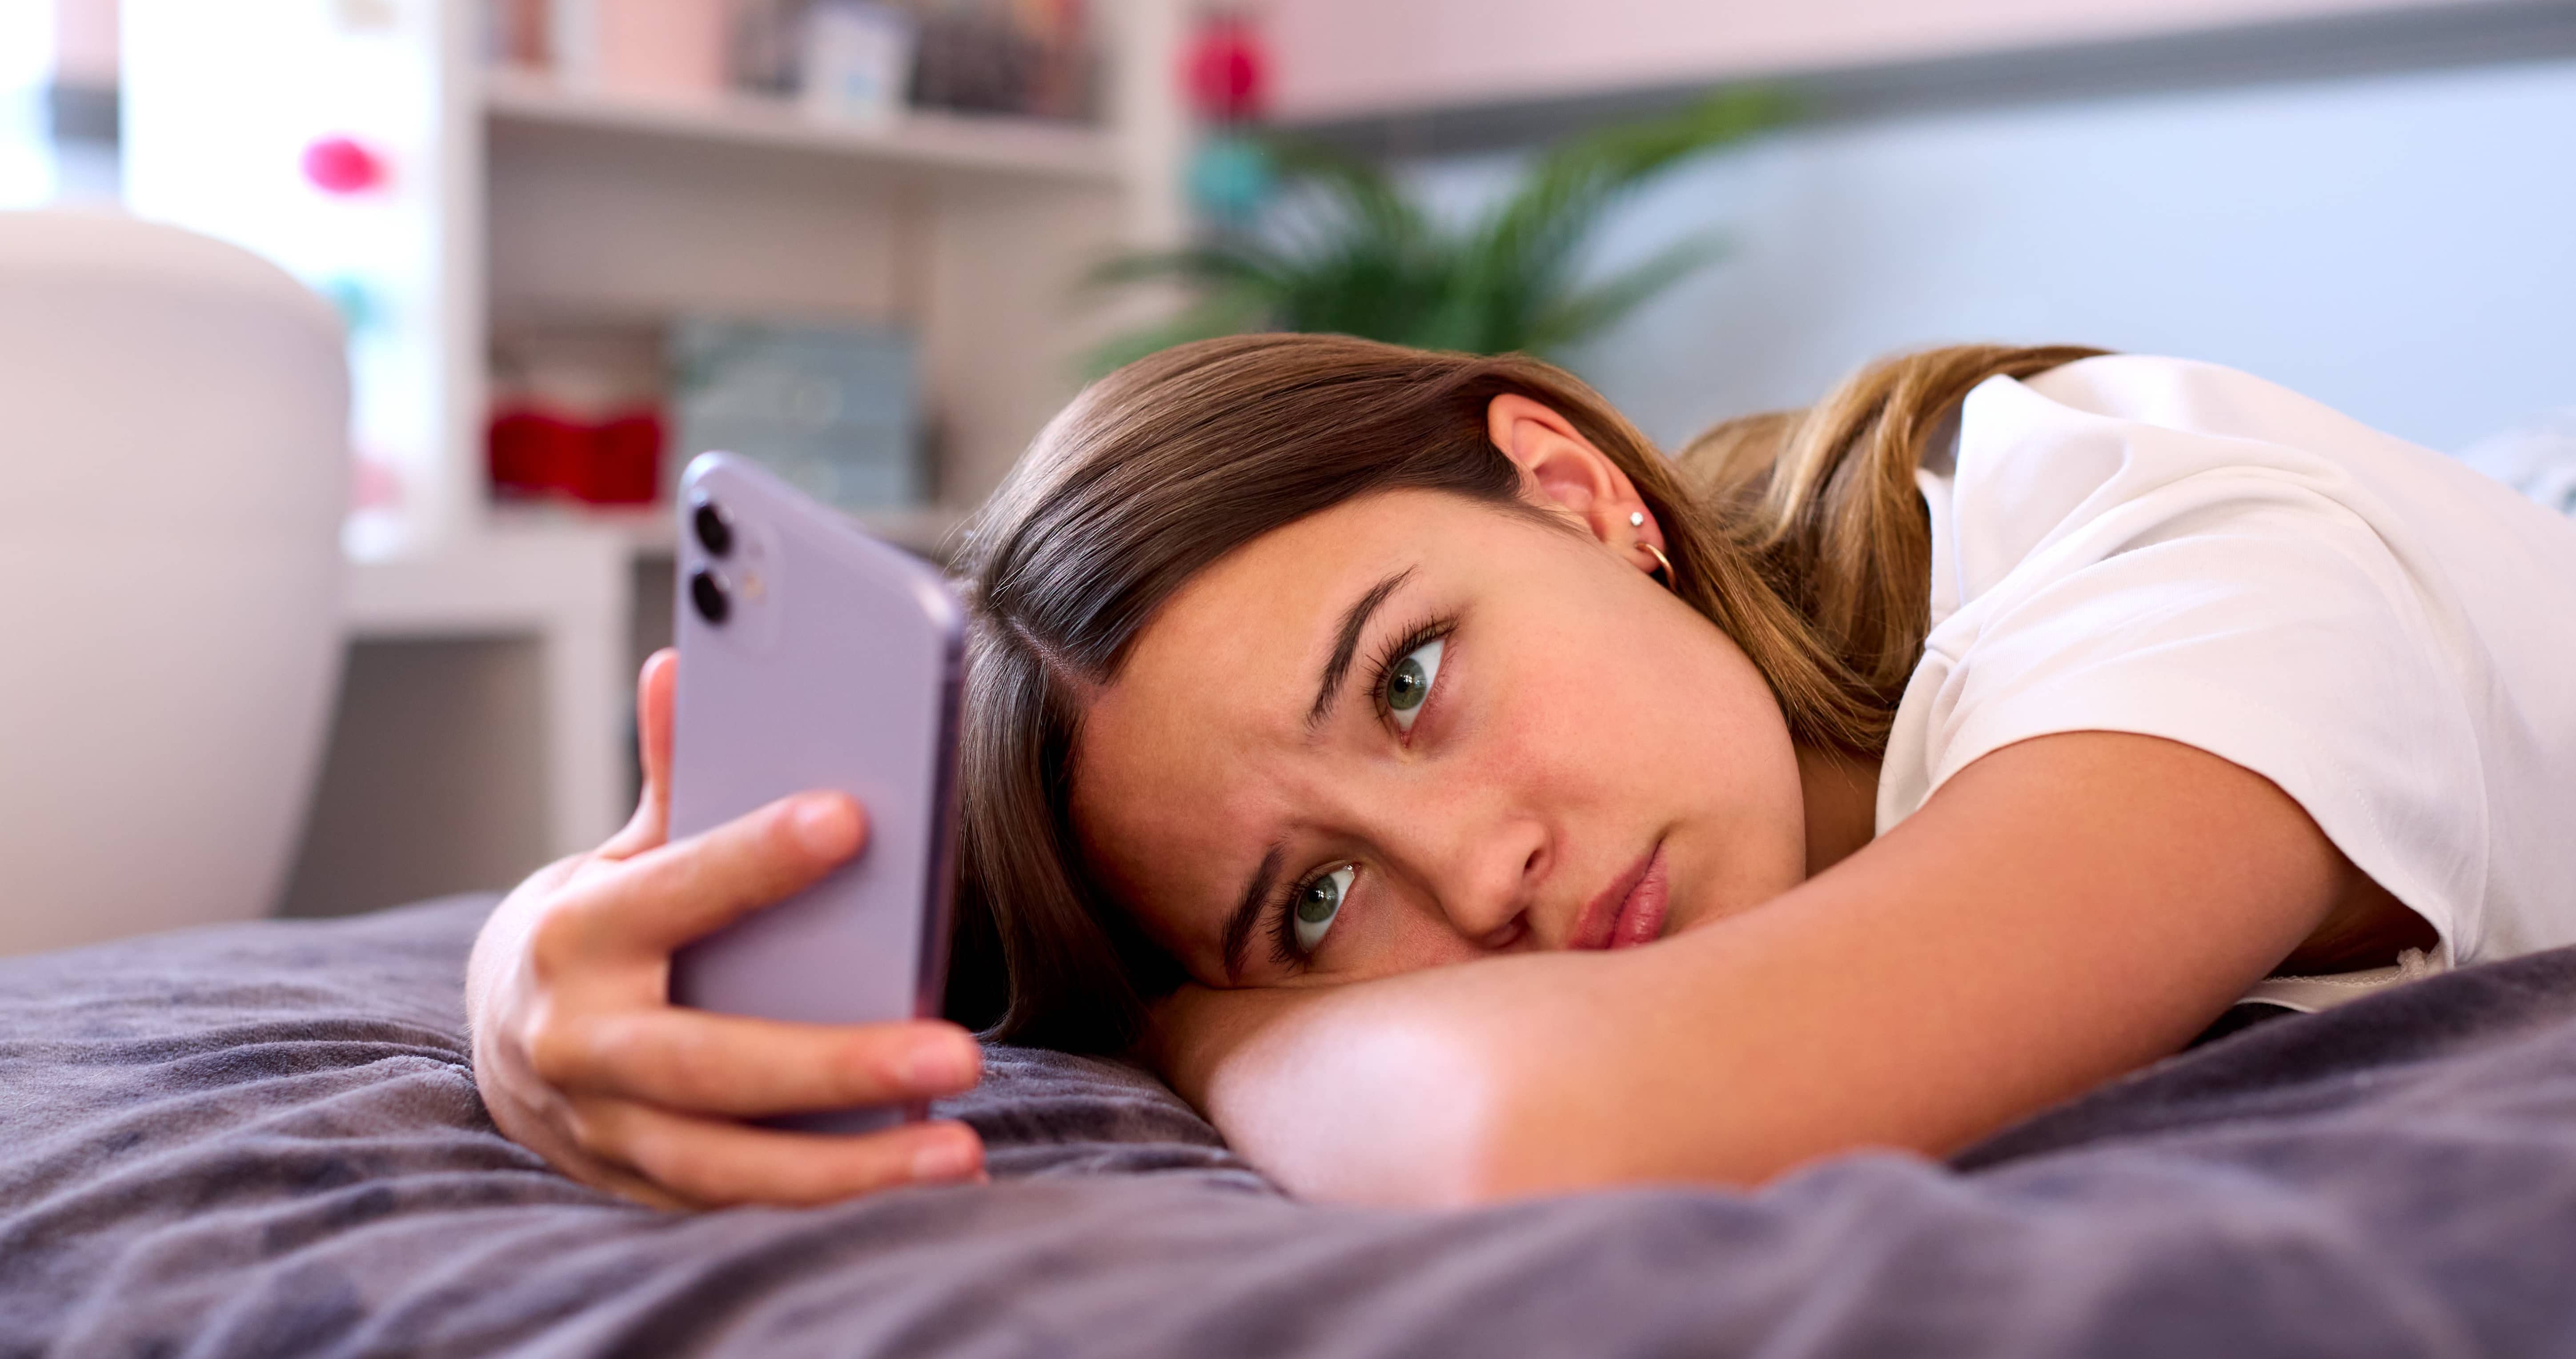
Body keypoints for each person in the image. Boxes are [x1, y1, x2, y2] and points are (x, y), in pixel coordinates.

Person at [466, 336, 2576, 1209]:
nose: (1480, 877)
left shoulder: (2182, 563)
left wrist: (1208, 1008)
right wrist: (512, 990)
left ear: (1574, 490)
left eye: (1409, 680)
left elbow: (1552, 1117)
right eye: (1310, 902)